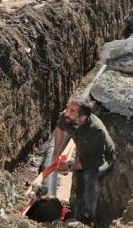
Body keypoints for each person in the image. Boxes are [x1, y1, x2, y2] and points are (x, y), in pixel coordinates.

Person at [52, 96, 116, 225]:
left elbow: (91, 163)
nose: (66, 112)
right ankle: (77, 213)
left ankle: (88, 217)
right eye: (67, 108)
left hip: (102, 158)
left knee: (89, 176)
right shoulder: (66, 117)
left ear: (82, 117)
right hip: (84, 151)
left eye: (72, 110)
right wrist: (56, 153)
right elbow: (59, 130)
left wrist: (68, 167)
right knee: (79, 183)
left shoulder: (95, 131)